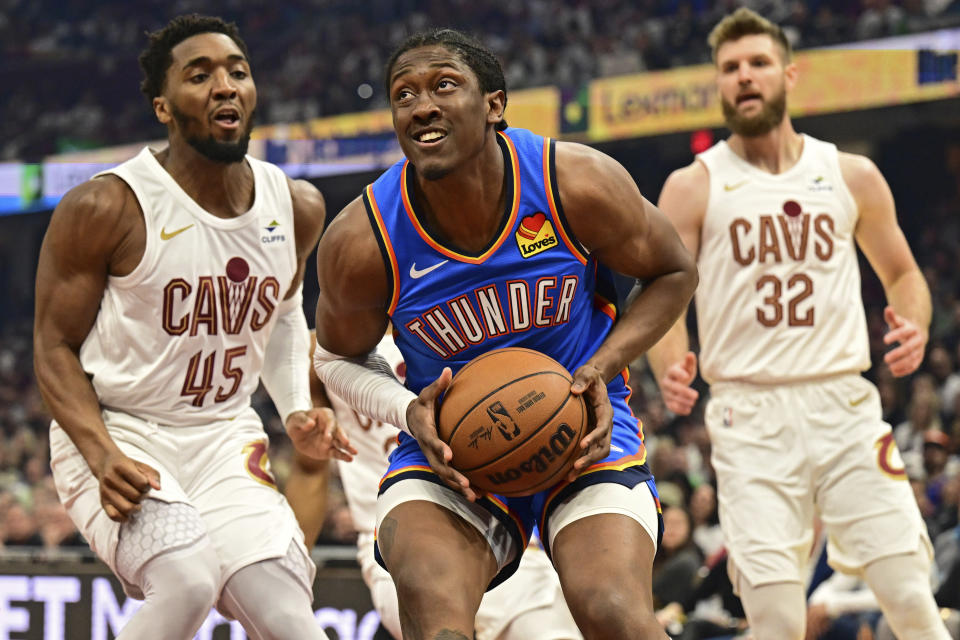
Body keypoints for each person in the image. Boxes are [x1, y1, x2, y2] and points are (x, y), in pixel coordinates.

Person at [311, 28, 698, 640]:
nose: (423, 105)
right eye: (403, 94)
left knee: (614, 614)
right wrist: (409, 411)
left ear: (494, 104)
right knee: (437, 622)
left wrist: (601, 366)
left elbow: (674, 271)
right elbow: (335, 359)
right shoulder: (364, 238)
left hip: (582, 432)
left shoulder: (573, 181)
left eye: (443, 85)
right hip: (452, 454)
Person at [32, 14, 354, 640]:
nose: (225, 85)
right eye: (199, 75)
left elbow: (285, 315)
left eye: (238, 71)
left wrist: (293, 408)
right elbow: (53, 347)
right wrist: (101, 453)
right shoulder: (107, 205)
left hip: (222, 435)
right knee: (186, 580)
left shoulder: (296, 205)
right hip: (120, 427)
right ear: (164, 106)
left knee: (289, 613)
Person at [646, 7, 947, 640]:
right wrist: (667, 362)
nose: (744, 77)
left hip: (844, 403)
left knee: (911, 600)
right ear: (718, 85)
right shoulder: (693, 185)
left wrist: (915, 323)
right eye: (730, 69)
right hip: (747, 416)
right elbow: (661, 295)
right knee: (777, 621)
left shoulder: (850, 173)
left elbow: (904, 275)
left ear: (789, 74)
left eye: (757, 64)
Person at [287, 330, 583, 640]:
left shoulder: (474, 318)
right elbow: (309, 470)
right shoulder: (323, 349)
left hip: (495, 521)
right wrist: (291, 583)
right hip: (391, 538)